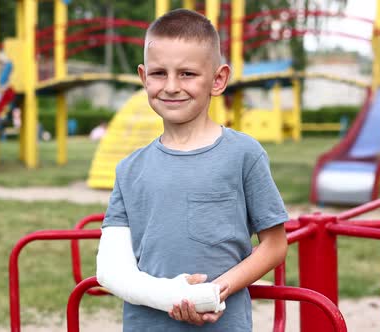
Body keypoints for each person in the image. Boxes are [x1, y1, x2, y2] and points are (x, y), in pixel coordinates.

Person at [95, 9, 288, 331]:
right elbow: (111, 270)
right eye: (159, 73)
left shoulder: (244, 154)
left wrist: (212, 293)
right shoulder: (129, 169)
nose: (171, 86)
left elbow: (274, 244)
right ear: (143, 77)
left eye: (187, 73)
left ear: (218, 79)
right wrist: (169, 295)